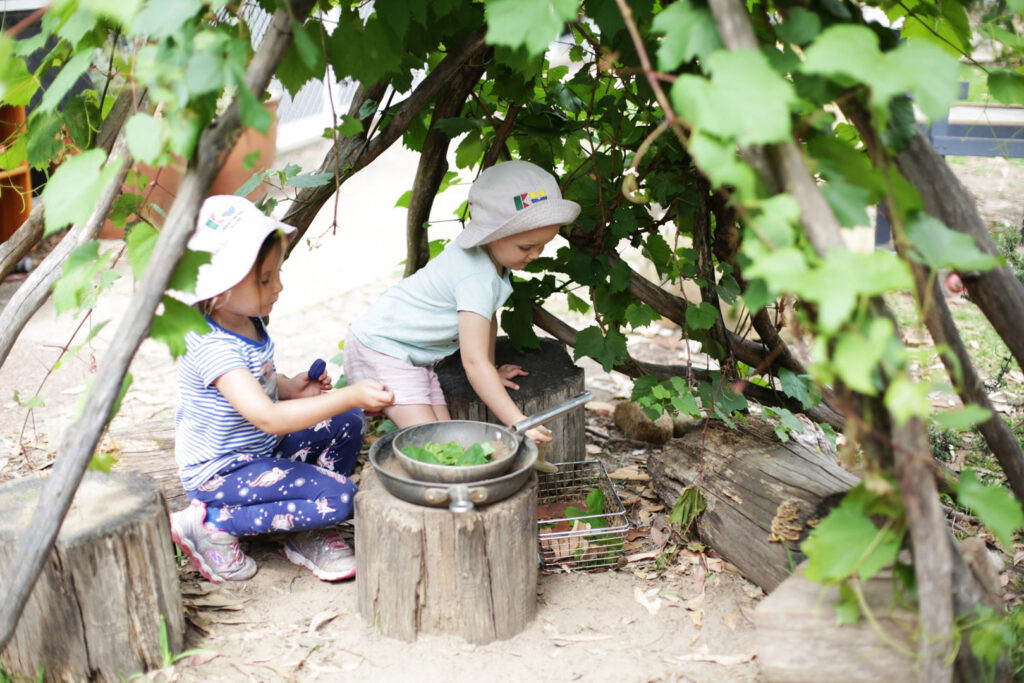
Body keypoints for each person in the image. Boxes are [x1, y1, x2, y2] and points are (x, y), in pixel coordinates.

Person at [170, 195, 394, 584]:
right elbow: (267, 417)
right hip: (223, 474)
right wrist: (349, 392)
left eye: (276, 273)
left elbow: (258, 382)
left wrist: (291, 388)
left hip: (258, 451)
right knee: (340, 497)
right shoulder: (212, 345)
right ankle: (209, 523)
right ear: (221, 286)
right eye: (265, 279)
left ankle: (303, 527)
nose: (279, 286)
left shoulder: (244, 320)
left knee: (347, 420)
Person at [344, 160, 580, 446]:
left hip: (412, 356)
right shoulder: (476, 278)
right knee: (433, 441)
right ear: (493, 235)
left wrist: (490, 368)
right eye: (526, 247)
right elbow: (473, 361)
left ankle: (444, 480)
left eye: (543, 245)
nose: (534, 255)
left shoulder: (491, 262)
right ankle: (425, 485)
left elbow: (487, 319)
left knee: (447, 432)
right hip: (382, 350)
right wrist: (520, 421)